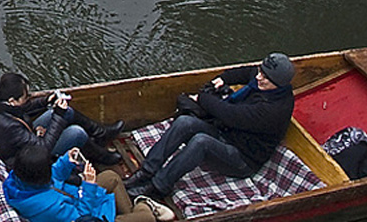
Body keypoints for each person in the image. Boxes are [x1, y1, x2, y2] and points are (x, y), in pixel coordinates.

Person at [125, 53, 296, 203]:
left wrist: (202, 98)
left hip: (243, 159)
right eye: (261, 72)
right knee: (185, 122)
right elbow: (247, 72)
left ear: (278, 84)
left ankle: (158, 187)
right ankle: (147, 171)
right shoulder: (263, 81)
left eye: (265, 77)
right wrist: (224, 78)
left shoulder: (272, 110)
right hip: (227, 135)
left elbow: (229, 114)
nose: (259, 77)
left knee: (201, 142)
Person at [0, 72, 125, 168]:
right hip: (28, 158)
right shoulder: (8, 126)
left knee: (67, 112)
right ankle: (102, 157)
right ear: (12, 100)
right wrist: (58, 115)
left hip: (28, 138)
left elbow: (24, 108)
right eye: (26, 97)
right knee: (77, 133)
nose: (28, 99)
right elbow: (43, 149)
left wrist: (46, 101)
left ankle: (101, 133)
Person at [5, 142, 175, 222]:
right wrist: (89, 186)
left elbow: (53, 177)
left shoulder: (18, 178)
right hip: (85, 215)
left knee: (111, 177)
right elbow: (81, 217)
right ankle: (142, 206)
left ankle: (131, 211)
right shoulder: (49, 207)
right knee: (147, 218)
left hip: (73, 198)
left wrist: (66, 161)